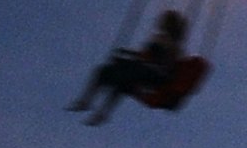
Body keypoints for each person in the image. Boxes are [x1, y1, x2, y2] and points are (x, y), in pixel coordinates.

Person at [73, 8, 211, 123]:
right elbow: (147, 55)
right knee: (107, 72)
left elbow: (158, 58)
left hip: (157, 75)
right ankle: (89, 103)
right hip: (149, 70)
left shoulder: (171, 44)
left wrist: (131, 55)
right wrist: (128, 53)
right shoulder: (164, 40)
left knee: (124, 78)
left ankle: (100, 111)